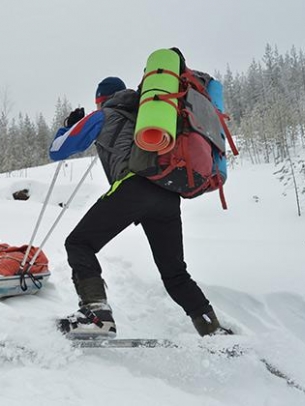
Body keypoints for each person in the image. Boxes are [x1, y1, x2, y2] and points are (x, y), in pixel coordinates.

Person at [50, 77, 231, 338]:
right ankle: (211, 328)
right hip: (167, 195)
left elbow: (57, 151)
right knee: (175, 272)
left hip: (133, 189)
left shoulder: (104, 114)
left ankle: (96, 315)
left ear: (101, 99)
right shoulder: (154, 117)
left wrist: (69, 127)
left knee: (79, 243)